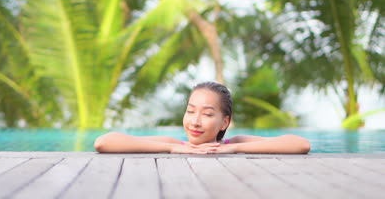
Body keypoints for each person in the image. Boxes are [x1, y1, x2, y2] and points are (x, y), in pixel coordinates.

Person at [94, 81, 311, 154]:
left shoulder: (235, 142)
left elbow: (301, 144)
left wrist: (234, 149)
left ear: (225, 122)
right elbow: (104, 142)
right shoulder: (174, 143)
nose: (195, 121)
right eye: (190, 111)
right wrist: (173, 149)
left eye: (207, 114)